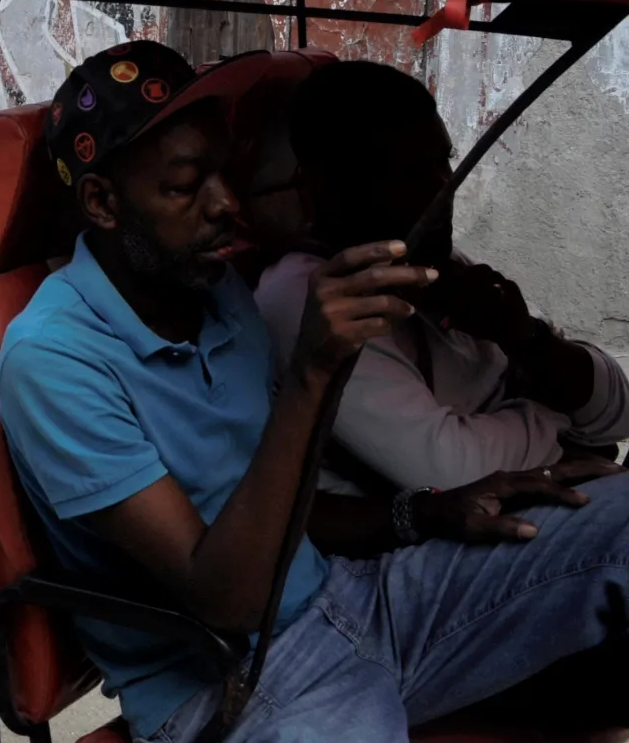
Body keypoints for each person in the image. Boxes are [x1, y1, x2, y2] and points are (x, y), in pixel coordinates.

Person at [0, 40, 629, 743]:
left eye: (223, 175)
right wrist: (313, 370)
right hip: (233, 689)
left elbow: (277, 503)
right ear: (102, 202)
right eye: (185, 186)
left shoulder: (210, 292)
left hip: (352, 604)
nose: (226, 206)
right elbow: (227, 598)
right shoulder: (53, 361)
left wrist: (426, 514)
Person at [256, 60, 629, 494]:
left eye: (444, 162)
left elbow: (616, 412)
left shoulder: (443, 265)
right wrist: (561, 431)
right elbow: (449, 470)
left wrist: (528, 339)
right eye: (410, 172)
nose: (443, 189)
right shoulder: (308, 299)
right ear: (332, 185)